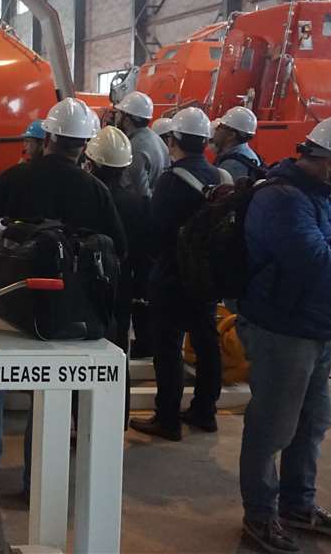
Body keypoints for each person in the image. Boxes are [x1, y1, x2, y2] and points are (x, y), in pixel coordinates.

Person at [237, 115, 331, 553]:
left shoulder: (313, 197)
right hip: (283, 332)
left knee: (312, 422)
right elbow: (319, 266)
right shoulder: (284, 200)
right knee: (271, 429)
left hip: (313, 327)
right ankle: (260, 516)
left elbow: (322, 254)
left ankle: (297, 506)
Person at [0, 98, 127, 495]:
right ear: (84, 145)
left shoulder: (13, 178)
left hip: (7, 301)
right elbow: (118, 248)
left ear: (48, 137)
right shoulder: (95, 190)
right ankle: (37, 484)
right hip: (64, 310)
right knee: (50, 393)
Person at [130, 107, 228, 442]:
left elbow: (155, 231)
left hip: (172, 277)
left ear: (173, 140)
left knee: (168, 348)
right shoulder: (219, 177)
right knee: (207, 343)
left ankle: (168, 418)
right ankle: (205, 411)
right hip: (207, 278)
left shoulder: (171, 181)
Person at [83, 126, 152, 384]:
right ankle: (118, 406)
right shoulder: (138, 202)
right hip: (122, 287)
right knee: (118, 354)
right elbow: (143, 251)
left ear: (91, 163)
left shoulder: (87, 199)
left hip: (86, 288)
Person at [112, 91, 170, 199]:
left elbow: (141, 195)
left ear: (127, 120)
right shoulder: (157, 139)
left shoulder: (134, 148)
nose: (116, 116)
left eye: (119, 113)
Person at [212, 107, 264, 181]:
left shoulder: (232, 165)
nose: (215, 129)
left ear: (231, 135)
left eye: (220, 127)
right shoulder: (246, 155)